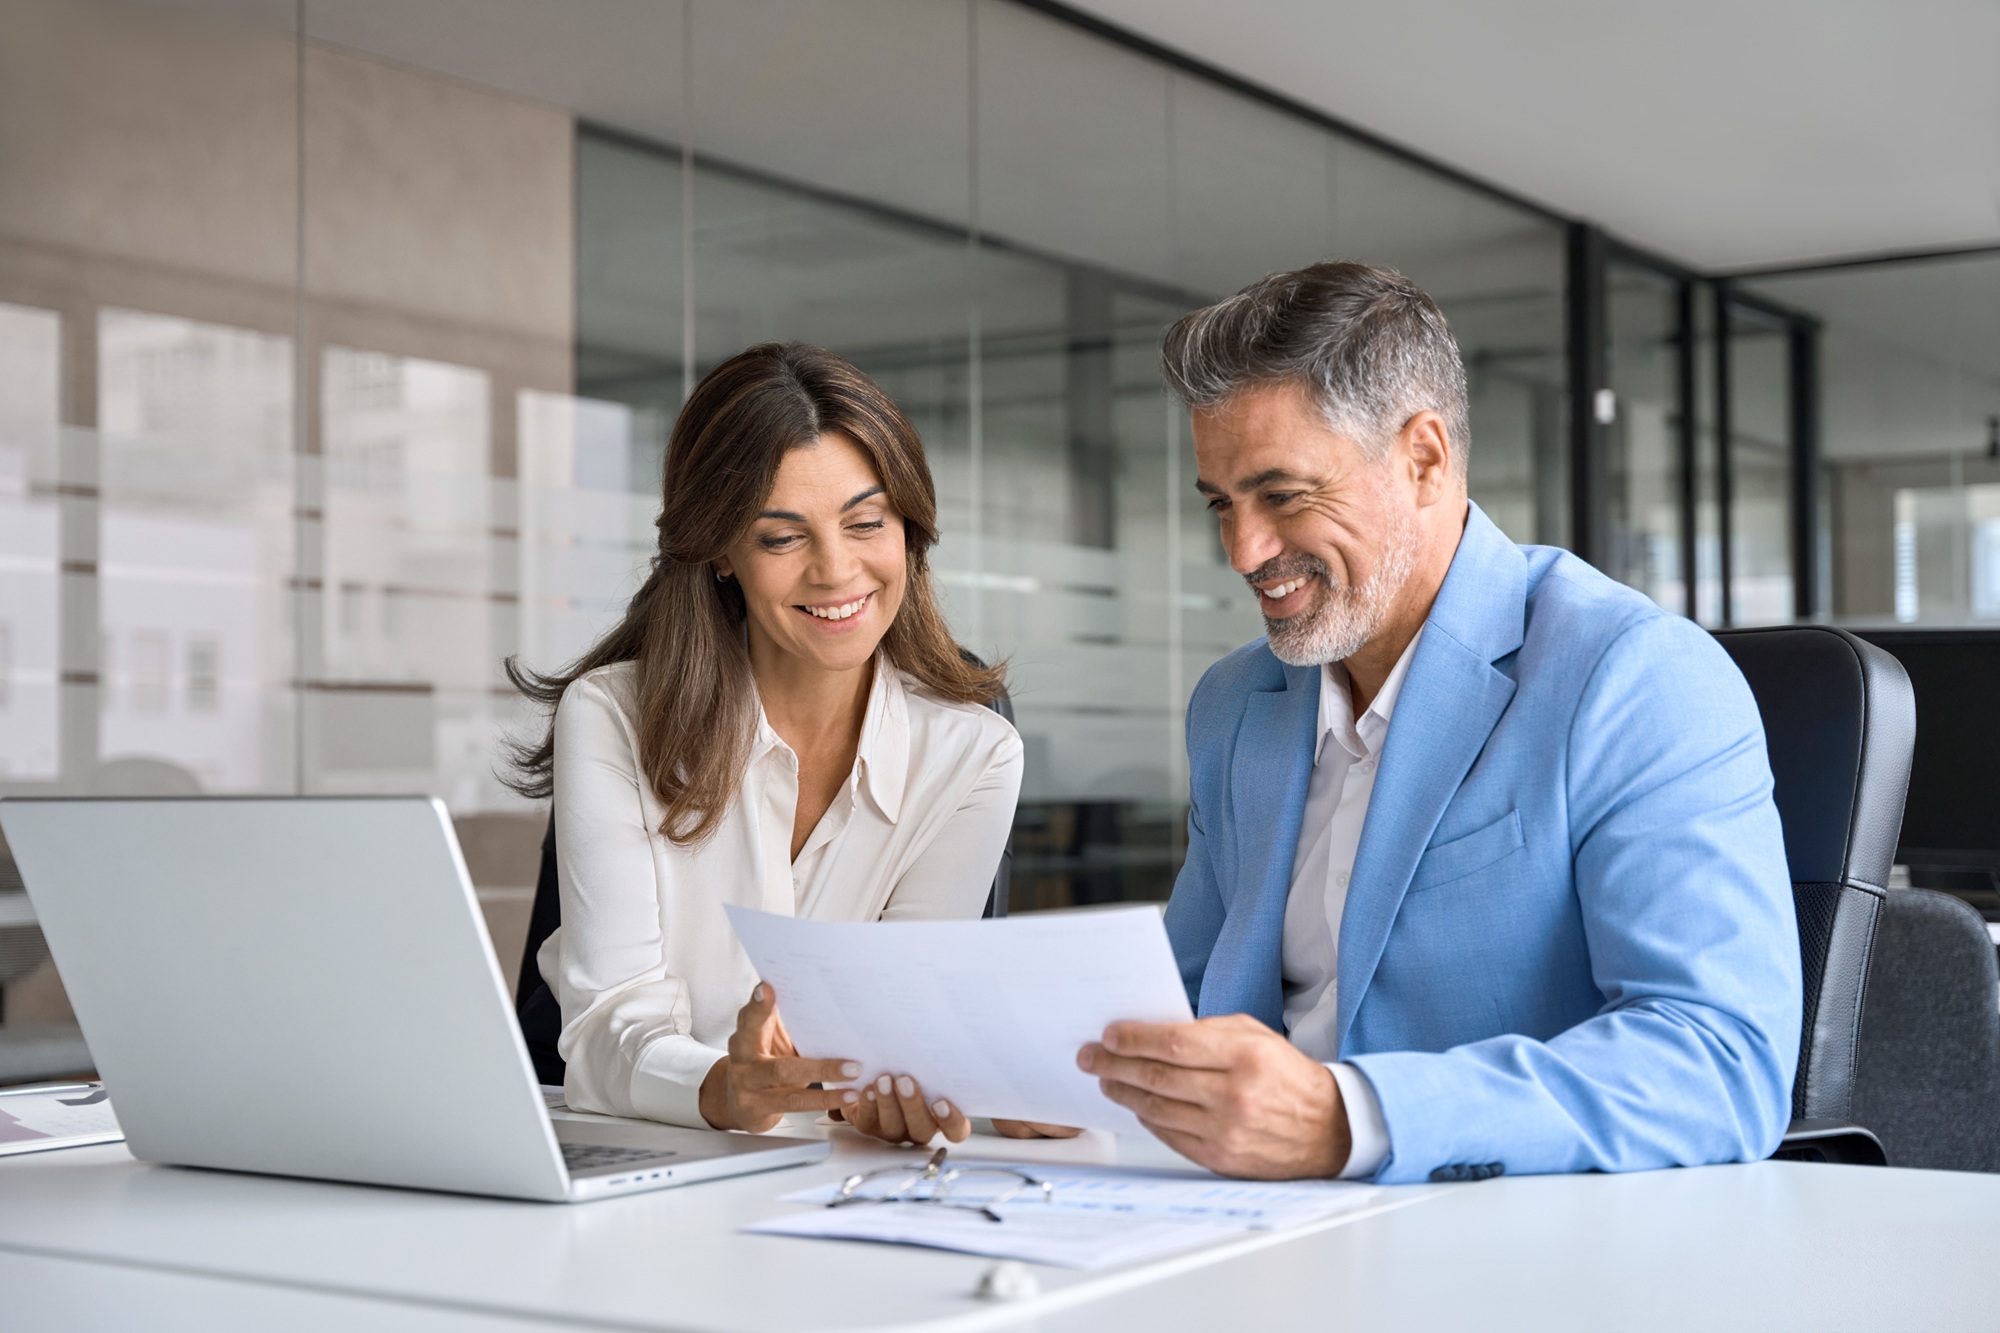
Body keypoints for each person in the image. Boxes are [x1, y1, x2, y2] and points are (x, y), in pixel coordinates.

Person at [1078, 261, 1802, 1183]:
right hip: (1247, 1226)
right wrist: (1031, 1085)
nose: (1244, 550)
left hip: (1510, 1245)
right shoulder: (1237, 705)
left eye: (1283, 494)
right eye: (1223, 503)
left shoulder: (1632, 677)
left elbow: (1721, 1058)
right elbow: (1174, 1006)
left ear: (1423, 458)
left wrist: (1353, 1119)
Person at [507, 343, 1022, 1145]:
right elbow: (607, 1025)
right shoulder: (610, 716)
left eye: (865, 522)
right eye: (782, 537)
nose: (837, 569)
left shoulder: (975, 752)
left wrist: (934, 1080)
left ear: (908, 527)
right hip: (637, 1154)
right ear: (720, 550)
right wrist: (722, 1086)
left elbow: (895, 1035)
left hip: (824, 1174)